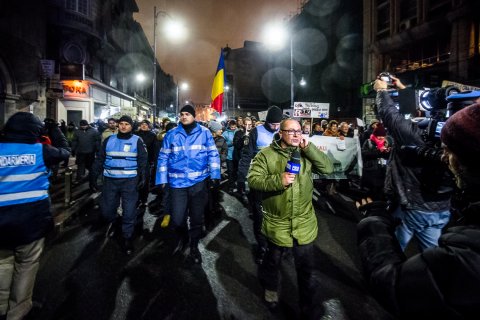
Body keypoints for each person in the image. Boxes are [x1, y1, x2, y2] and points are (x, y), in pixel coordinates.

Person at [357, 103, 480, 319]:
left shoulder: (469, 253)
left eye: (449, 152)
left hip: (413, 210)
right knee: (432, 259)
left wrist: (374, 222)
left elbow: (392, 283)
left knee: (396, 249)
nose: (444, 159)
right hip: (439, 213)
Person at [247, 118, 333, 314]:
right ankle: (270, 290)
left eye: (299, 131)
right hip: (278, 224)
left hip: (304, 223)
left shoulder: (306, 152)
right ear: (281, 133)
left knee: (307, 270)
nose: (296, 134)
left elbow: (328, 169)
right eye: (291, 131)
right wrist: (279, 180)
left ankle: (307, 306)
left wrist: (309, 149)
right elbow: (253, 179)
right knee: (273, 262)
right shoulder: (266, 155)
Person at [0, 112, 70, 320]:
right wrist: (55, 130)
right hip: (30, 220)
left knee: (3, 264)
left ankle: (1, 307)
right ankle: (18, 310)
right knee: (26, 265)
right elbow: (65, 152)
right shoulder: (40, 150)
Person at [373, 77, 451, 251]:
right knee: (432, 258)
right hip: (440, 208)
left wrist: (381, 91)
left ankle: (386, 275)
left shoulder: (414, 135)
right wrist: (403, 90)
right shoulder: (457, 133)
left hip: (412, 205)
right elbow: (409, 118)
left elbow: (390, 116)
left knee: (390, 251)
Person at [155, 105, 220, 264]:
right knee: (177, 219)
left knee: (197, 218)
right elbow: (163, 157)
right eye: (182, 114)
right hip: (177, 184)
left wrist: (215, 175)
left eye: (187, 114)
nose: (184, 116)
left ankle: (193, 245)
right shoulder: (171, 134)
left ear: (193, 116)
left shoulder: (204, 133)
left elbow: (213, 154)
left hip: (198, 183)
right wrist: (162, 179)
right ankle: (183, 237)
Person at [90, 115, 148, 255]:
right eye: (121, 123)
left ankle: (127, 238)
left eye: (126, 124)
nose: (123, 126)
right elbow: (100, 159)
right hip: (110, 181)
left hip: (130, 182)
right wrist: (93, 175)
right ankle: (115, 221)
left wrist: (143, 179)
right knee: (107, 211)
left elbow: (143, 162)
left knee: (129, 212)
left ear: (131, 126)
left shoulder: (137, 141)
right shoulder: (109, 140)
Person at [237, 105, 283, 264]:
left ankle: (277, 245)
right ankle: (263, 247)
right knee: (260, 217)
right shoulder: (257, 132)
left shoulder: (283, 133)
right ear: (267, 121)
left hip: (279, 183)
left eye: (278, 125)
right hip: (260, 182)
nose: (276, 128)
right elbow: (246, 156)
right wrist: (241, 179)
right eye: (273, 124)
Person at [361, 123, 392, 199]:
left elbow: (389, 157)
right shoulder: (368, 142)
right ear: (374, 135)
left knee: (382, 189)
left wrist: (388, 152)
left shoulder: (386, 143)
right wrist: (379, 151)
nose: (381, 137)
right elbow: (364, 154)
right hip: (372, 170)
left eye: (383, 136)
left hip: (383, 170)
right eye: (379, 136)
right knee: (372, 191)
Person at [135, 120, 158, 207]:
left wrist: (153, 161)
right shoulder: (135, 135)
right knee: (135, 180)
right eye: (142, 124)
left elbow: (154, 149)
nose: (144, 126)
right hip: (135, 161)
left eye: (145, 124)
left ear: (149, 126)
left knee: (145, 181)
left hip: (147, 162)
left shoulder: (152, 135)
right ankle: (136, 198)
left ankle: (144, 199)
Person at [222, 119, 237, 193]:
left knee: (235, 171)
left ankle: (235, 184)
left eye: (234, 127)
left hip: (237, 156)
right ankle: (231, 186)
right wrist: (230, 143)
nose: (233, 128)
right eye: (232, 127)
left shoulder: (238, 132)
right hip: (229, 156)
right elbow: (222, 144)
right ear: (229, 126)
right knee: (230, 172)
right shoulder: (225, 133)